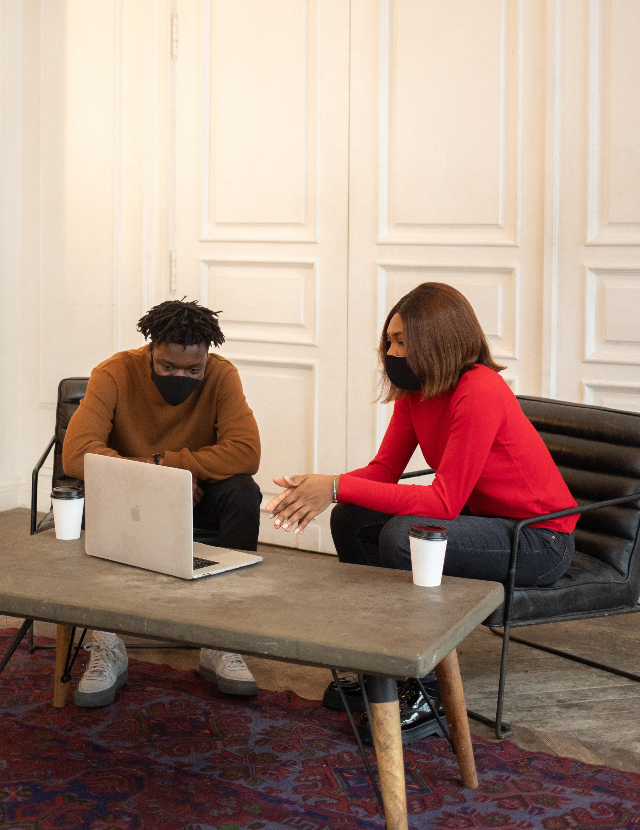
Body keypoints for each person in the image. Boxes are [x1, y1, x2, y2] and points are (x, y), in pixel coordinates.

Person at [265, 282, 578, 744]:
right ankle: (381, 666)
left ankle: (425, 689)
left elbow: (444, 502)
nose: (391, 351)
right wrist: (319, 487)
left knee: (404, 536)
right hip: (485, 524)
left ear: (438, 341)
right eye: (389, 341)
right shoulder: (418, 393)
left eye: (402, 343)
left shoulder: (480, 388)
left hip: (539, 540)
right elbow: (383, 470)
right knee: (351, 516)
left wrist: (333, 486)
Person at [63, 299, 262, 707]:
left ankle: (220, 636)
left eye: (193, 370)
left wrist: (172, 467)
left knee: (243, 492)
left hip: (196, 495)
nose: (180, 377)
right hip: (130, 496)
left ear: (207, 357)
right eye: (167, 367)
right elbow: (77, 454)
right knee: (93, 488)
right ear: (151, 349)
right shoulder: (114, 372)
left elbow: (245, 452)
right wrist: (156, 477)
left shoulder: (223, 376)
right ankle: (106, 641)